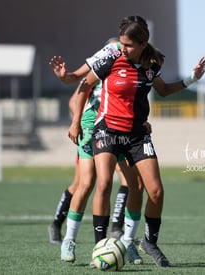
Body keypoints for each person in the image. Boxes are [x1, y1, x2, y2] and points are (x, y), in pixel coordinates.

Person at [68, 15, 205, 267]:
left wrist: (192, 78)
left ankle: (143, 242)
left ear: (143, 44)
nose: (123, 48)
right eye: (122, 43)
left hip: (137, 134)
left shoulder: (151, 64)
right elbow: (82, 86)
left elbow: (164, 90)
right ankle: (101, 245)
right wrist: (76, 121)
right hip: (107, 130)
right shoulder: (110, 59)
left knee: (154, 191)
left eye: (129, 45)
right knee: (103, 184)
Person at [48, 38, 144, 265]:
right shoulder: (109, 54)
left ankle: (127, 241)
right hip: (94, 123)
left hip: (122, 124)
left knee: (135, 184)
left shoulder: (139, 60)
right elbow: (76, 83)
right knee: (87, 182)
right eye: (120, 44)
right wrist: (64, 79)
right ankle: (69, 239)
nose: (122, 49)